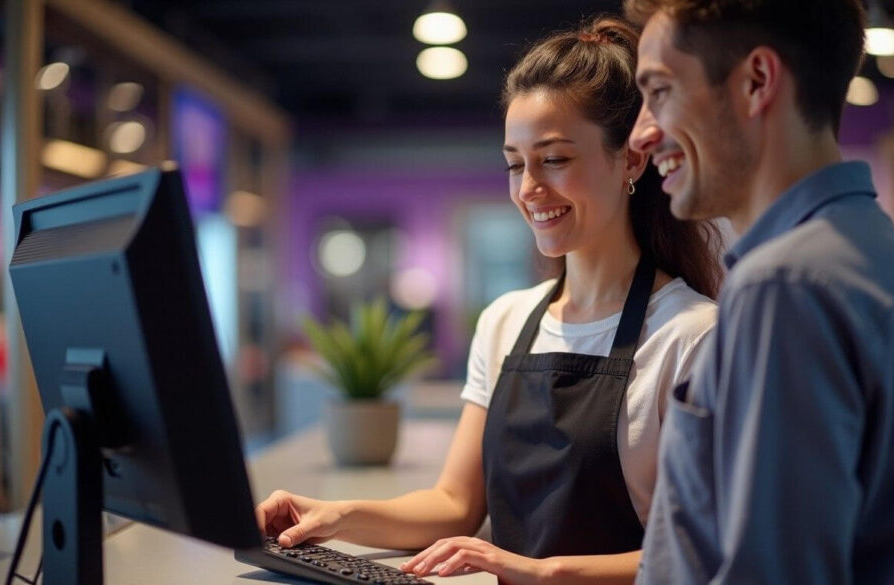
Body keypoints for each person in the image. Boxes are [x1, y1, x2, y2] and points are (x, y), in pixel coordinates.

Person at [256, 16, 724, 585]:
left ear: (630, 159)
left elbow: (700, 555)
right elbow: (455, 502)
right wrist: (336, 516)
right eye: (514, 163)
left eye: (554, 159)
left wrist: (539, 572)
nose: (529, 188)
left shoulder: (692, 336)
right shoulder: (507, 321)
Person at [623, 1, 894, 583]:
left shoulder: (785, 284)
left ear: (756, 82)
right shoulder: (875, 247)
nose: (642, 133)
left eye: (661, 92)